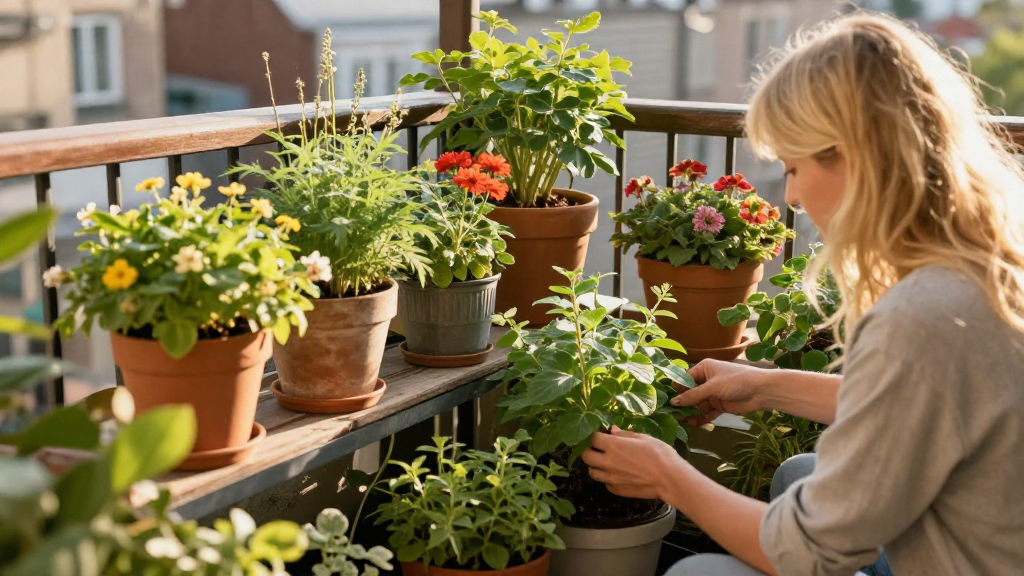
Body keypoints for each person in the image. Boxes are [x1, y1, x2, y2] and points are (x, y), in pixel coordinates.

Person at [581, 11, 1024, 576]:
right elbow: (927, 404)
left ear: (853, 155)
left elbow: (809, 552)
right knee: (800, 474)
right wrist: (766, 386)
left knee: (697, 573)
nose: (790, 196)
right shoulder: (987, 259)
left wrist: (670, 477)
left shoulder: (920, 316)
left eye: (793, 167)